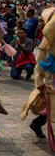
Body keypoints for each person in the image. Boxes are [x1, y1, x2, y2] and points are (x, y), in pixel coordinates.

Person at [21, 8, 55, 139]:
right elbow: (39, 66)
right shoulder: (46, 46)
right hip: (51, 81)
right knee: (52, 107)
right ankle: (37, 123)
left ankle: (37, 123)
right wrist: (39, 83)